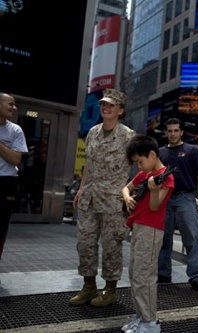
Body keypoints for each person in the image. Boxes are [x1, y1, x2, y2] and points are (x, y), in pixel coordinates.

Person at [70, 88, 136, 307]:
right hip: (89, 197)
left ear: (121, 110)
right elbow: (89, 164)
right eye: (103, 104)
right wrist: (80, 189)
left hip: (113, 201)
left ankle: (110, 289)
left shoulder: (129, 136)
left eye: (110, 105)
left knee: (111, 246)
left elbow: (141, 166)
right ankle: (89, 286)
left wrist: (130, 195)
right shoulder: (93, 132)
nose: (105, 107)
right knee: (85, 243)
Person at [121, 135, 174, 333]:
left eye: (140, 162)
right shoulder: (144, 174)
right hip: (139, 228)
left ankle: (150, 322)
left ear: (152, 154)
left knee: (145, 276)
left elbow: (154, 207)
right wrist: (127, 199)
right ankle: (141, 316)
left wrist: (154, 190)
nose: (139, 167)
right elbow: (126, 188)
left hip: (151, 230)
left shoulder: (166, 176)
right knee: (135, 274)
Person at [157, 118, 198, 291]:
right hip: (164, 197)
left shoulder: (192, 150)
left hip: (186, 197)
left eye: (176, 130)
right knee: (163, 238)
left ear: (181, 132)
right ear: (165, 133)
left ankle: (196, 276)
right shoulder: (160, 152)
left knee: (192, 237)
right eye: (169, 131)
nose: (173, 134)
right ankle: (163, 273)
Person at [0, 93, 28, 282]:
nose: (14, 107)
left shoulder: (15, 130)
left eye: (15, 104)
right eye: (10, 104)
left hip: (6, 183)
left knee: (1, 229)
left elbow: (15, 159)